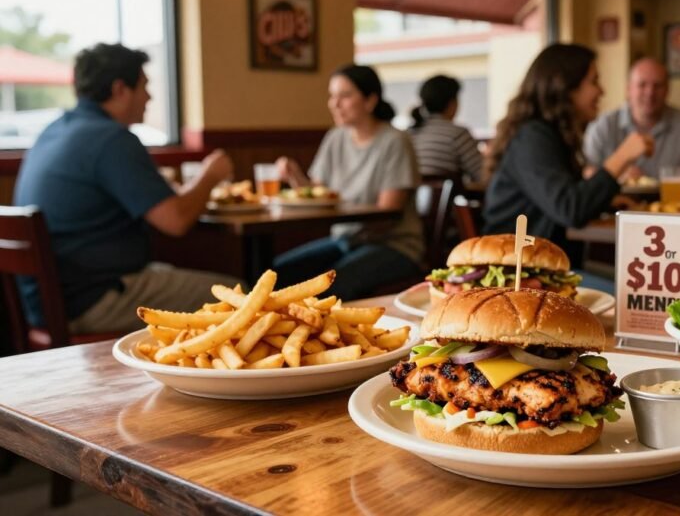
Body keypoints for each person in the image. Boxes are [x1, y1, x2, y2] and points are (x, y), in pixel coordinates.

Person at [14, 43, 239, 334]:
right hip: (91, 300)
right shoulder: (112, 139)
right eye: (144, 86)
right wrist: (210, 175)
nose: (149, 97)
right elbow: (176, 221)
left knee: (173, 274)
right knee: (236, 296)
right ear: (120, 89)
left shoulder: (55, 131)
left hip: (46, 303)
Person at [483, 43, 654, 265]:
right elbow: (570, 210)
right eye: (594, 81)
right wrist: (622, 157)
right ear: (565, 88)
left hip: (542, 263)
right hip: (517, 271)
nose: (601, 91)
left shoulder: (549, 134)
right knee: (628, 283)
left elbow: (563, 201)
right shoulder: (532, 137)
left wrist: (606, 202)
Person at [274, 64, 423, 300]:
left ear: (370, 101)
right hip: (345, 240)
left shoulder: (395, 141)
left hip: (394, 245)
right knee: (277, 273)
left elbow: (387, 213)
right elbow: (317, 194)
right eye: (332, 96)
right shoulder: (335, 137)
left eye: (344, 96)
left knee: (329, 284)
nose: (334, 104)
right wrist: (294, 175)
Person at [583, 57, 680, 190]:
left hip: (671, 202)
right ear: (628, 89)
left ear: (667, 90)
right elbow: (587, 174)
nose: (650, 92)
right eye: (642, 85)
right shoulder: (601, 126)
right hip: (618, 200)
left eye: (657, 86)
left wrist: (661, 186)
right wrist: (616, 176)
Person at [407, 75, 483, 183]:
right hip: (445, 194)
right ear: (453, 103)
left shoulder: (409, 134)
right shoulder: (458, 134)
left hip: (409, 193)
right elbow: (483, 175)